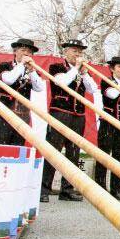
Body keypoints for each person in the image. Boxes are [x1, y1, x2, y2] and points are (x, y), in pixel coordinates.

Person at [41, 39, 98, 203]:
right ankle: (44, 189)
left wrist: (85, 73)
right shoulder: (57, 67)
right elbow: (62, 82)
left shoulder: (82, 71)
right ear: (65, 52)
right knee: (53, 151)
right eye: (74, 50)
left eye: (80, 51)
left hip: (78, 116)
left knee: (73, 153)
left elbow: (92, 89)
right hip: (60, 113)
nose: (78, 54)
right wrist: (76, 69)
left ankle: (67, 189)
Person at [94, 56, 120, 201]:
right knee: (104, 155)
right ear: (112, 69)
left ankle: (116, 189)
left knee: (118, 157)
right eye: (119, 67)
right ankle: (100, 188)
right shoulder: (106, 80)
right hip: (108, 122)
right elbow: (112, 95)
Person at [0, 38, 44, 146]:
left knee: (18, 146)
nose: (26, 54)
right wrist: (21, 65)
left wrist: (32, 71)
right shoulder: (4, 66)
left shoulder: (33, 70)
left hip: (23, 115)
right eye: (23, 50)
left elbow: (39, 88)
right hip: (5, 113)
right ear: (15, 51)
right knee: (1, 144)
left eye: (29, 52)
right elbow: (8, 80)